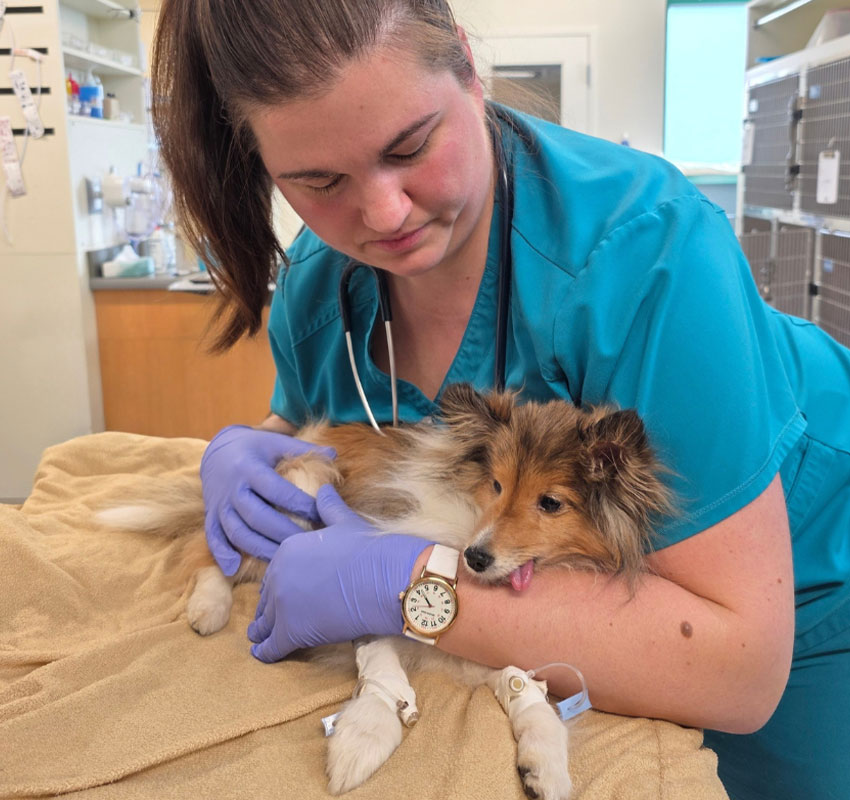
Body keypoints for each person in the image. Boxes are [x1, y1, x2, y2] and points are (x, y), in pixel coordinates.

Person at [151, 2, 850, 798]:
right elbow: (321, 416)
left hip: (813, 570)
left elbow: (738, 670)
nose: (383, 213)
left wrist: (413, 584)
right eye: (318, 180)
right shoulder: (321, 280)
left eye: (410, 146)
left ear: (470, 73)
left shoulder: (647, 249)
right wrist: (237, 449)